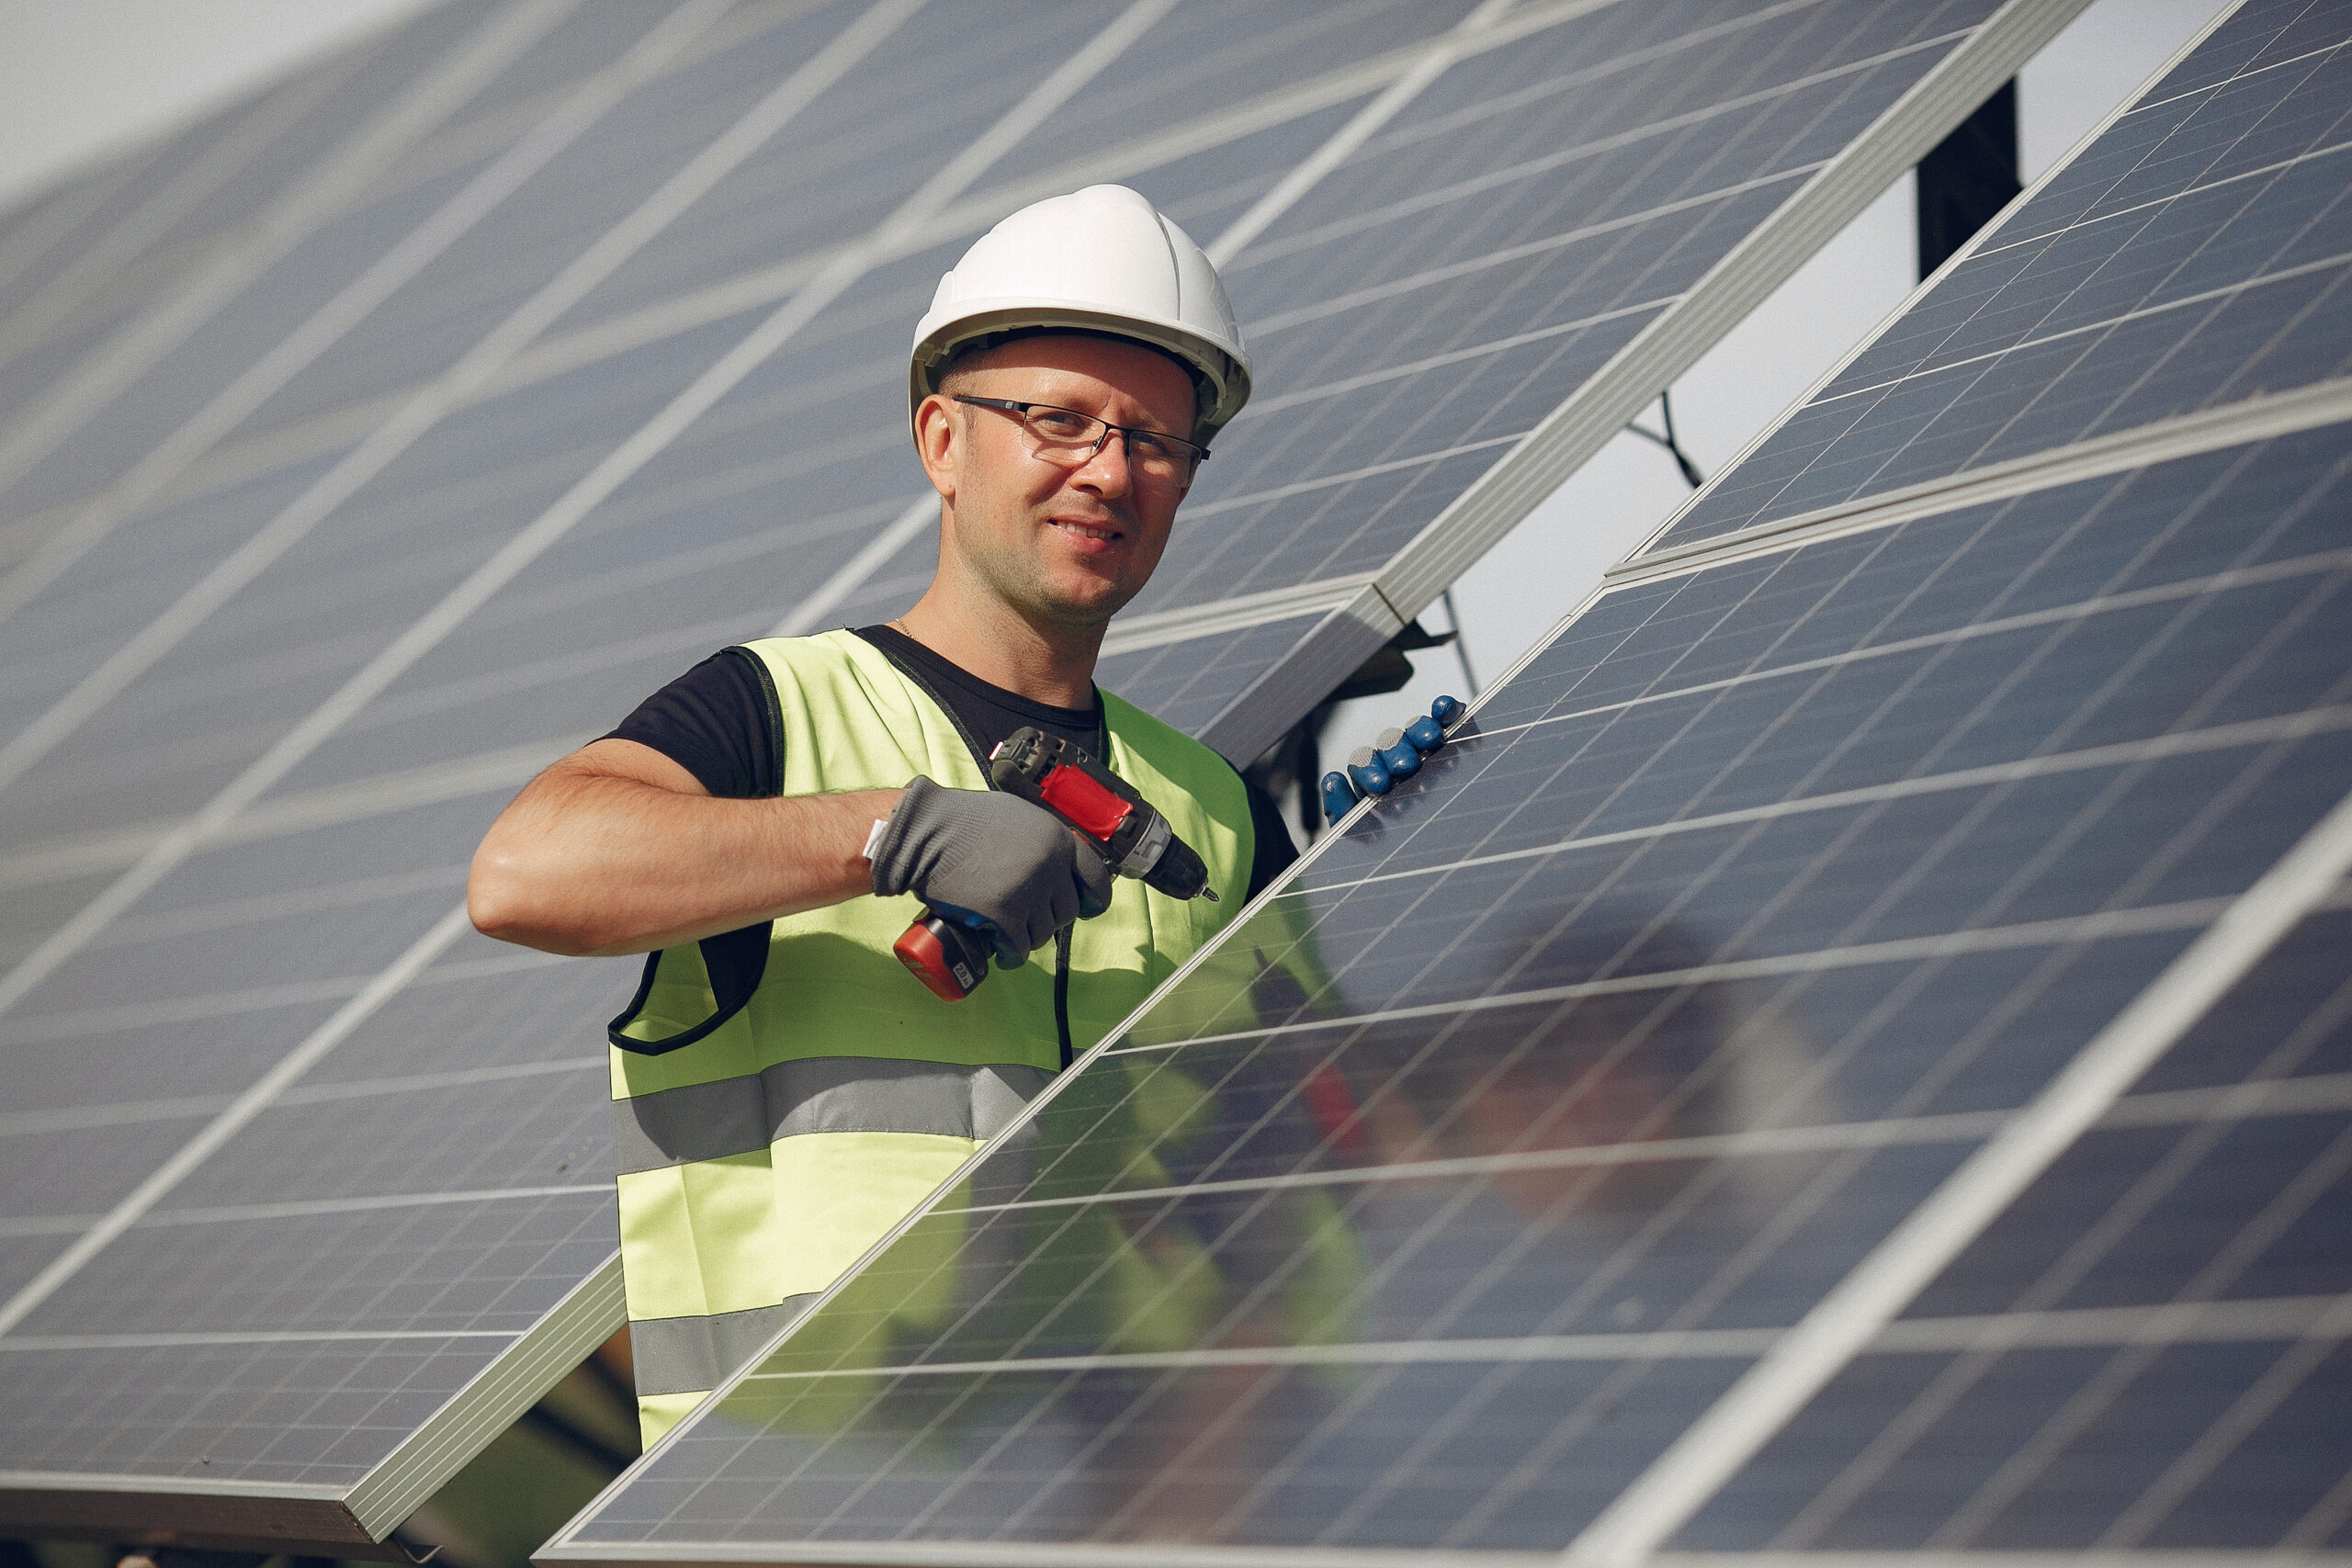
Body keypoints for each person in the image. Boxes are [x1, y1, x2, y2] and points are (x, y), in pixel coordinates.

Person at [468, 186, 1297, 1446]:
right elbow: (525, 871)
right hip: (787, 1511)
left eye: (1155, 442)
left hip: (1105, 1508)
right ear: (943, 443)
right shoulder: (779, 711)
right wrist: (887, 836)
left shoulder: (1218, 813)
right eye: (1058, 421)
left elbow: (1300, 1194)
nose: (1110, 471)